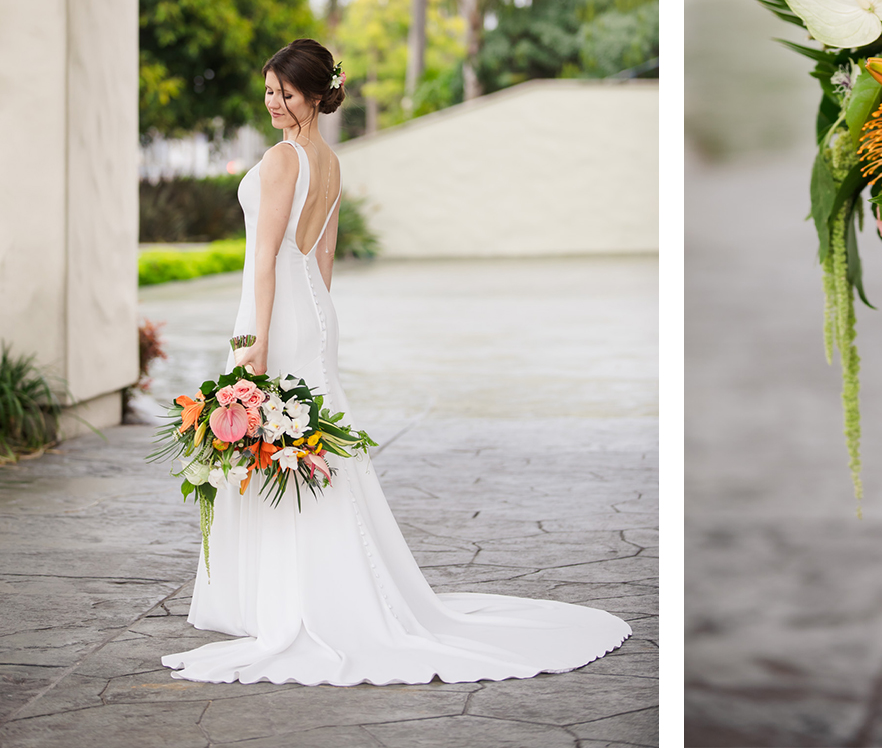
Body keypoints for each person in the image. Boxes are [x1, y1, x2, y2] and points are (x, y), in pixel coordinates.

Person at [159, 39, 631, 685]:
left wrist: (254, 348)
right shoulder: (328, 159)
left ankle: (295, 600)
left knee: (284, 448)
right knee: (306, 449)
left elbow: (264, 258)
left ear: (317, 94)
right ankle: (304, 590)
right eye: (268, 92)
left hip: (277, 315)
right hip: (313, 311)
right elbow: (320, 257)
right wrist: (318, 324)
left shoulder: (281, 160)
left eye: (286, 94)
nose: (273, 104)